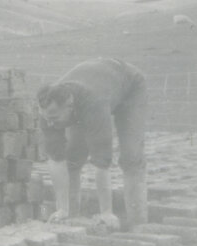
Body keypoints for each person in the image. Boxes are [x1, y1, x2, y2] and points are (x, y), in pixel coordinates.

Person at [37, 57, 148, 229]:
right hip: (94, 83)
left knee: (131, 156)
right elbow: (56, 161)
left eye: (55, 119)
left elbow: (101, 161)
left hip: (129, 87)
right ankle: (71, 215)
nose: (50, 125)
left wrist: (106, 212)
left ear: (69, 106)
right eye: (47, 119)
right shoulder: (49, 110)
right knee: (73, 156)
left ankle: (138, 223)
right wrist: (61, 209)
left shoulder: (94, 104)